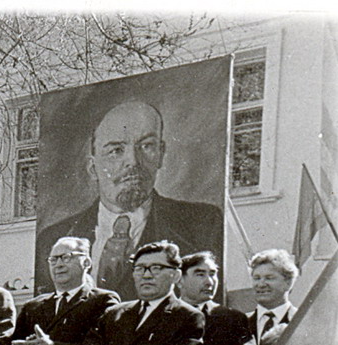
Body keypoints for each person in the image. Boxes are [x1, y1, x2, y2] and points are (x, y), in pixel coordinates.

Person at [36, 101, 224, 301]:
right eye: (116, 150)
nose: (133, 162)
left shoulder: (202, 224)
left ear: (161, 154)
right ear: (92, 167)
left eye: (146, 146)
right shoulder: (52, 239)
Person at [84, 240, 204, 345]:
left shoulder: (187, 316)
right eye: (140, 268)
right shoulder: (114, 313)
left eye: (156, 268)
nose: (146, 275)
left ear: (176, 276)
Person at [4, 237, 120, 345]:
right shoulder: (33, 306)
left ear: (86, 262)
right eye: (53, 260)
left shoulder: (102, 300)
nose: (58, 265)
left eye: (66, 257)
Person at [176, 252, 256, 345]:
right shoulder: (161, 316)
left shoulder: (232, 319)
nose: (209, 282)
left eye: (212, 274)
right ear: (179, 280)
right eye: (200, 274)